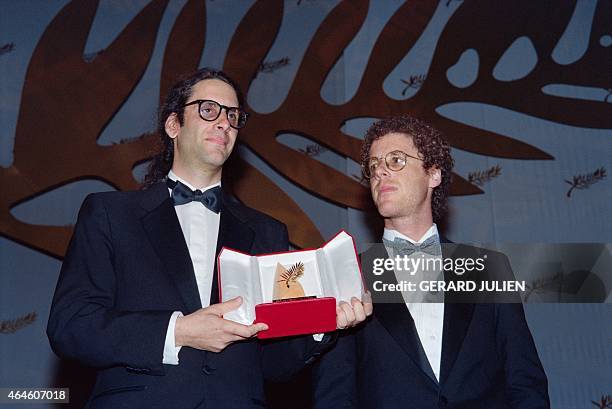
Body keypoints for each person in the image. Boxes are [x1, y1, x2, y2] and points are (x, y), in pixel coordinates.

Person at [47, 68, 370, 409]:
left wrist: (321, 325)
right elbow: (72, 325)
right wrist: (179, 331)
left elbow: (273, 364)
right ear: (174, 125)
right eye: (208, 110)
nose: (224, 123)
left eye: (232, 116)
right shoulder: (110, 214)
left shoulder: (267, 231)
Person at [313, 116, 549, 409]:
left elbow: (525, 381)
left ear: (433, 174)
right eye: (373, 166)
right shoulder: (348, 275)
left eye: (396, 160)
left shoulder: (489, 268)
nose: (381, 172)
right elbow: (334, 395)